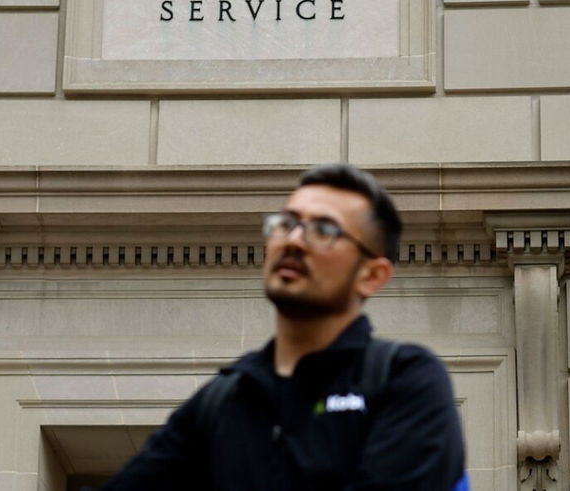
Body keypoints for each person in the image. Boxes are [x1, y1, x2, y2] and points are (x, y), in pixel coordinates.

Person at [104, 163, 467, 490]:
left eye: (324, 230)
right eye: (286, 224)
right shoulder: (223, 400)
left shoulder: (405, 379)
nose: (294, 240)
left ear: (372, 275)